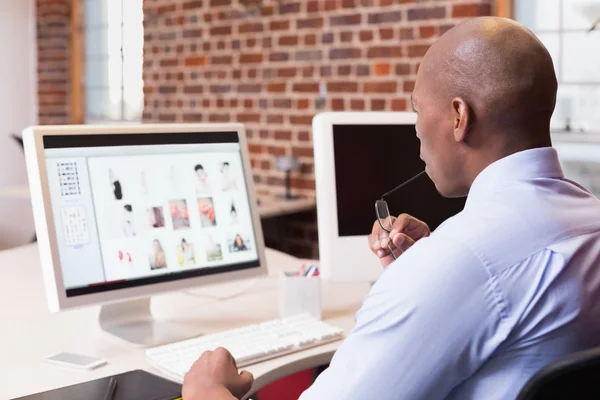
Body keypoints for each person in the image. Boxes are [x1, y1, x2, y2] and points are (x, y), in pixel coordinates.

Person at [181, 17, 600, 400]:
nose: (415, 125)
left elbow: (479, 277)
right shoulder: (589, 218)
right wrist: (421, 277)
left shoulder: (458, 263)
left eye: (417, 108)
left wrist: (206, 390)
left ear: (459, 117)